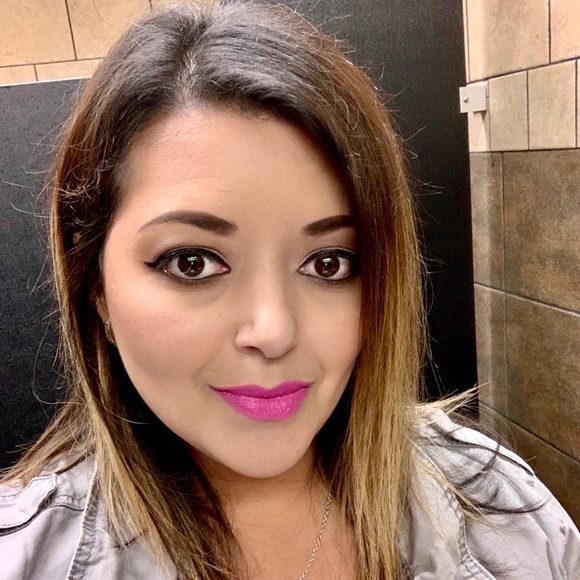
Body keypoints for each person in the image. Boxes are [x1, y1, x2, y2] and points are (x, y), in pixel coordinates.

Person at [0, 2, 578, 579]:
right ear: (96, 286)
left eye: (328, 263)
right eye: (192, 263)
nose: (274, 331)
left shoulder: (502, 508)